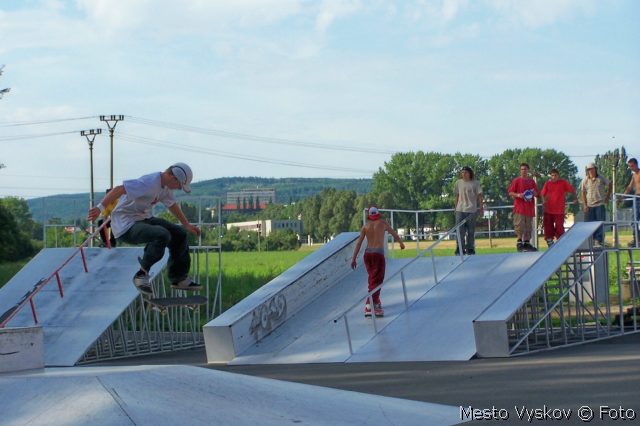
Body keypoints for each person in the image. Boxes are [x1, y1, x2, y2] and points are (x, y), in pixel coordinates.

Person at [87, 163, 201, 295]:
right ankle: (141, 275)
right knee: (162, 234)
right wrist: (100, 208)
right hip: (126, 225)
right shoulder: (149, 183)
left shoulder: (166, 188)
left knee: (179, 234)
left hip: (143, 219)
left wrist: (186, 224)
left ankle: (179, 278)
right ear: (172, 176)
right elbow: (119, 189)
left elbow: (172, 205)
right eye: (179, 185)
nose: (178, 188)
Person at [351, 206, 405, 317]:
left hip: (367, 255)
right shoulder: (383, 223)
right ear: (378, 214)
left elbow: (359, 243)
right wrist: (400, 243)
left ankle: (375, 301)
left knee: (372, 278)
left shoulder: (365, 226)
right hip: (378, 254)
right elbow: (393, 233)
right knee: (378, 279)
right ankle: (369, 305)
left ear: (369, 216)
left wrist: (353, 259)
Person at [508, 163, 539, 252]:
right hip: (519, 208)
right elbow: (510, 192)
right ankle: (519, 242)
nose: (523, 171)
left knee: (528, 226)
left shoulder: (531, 181)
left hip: (529, 208)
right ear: (520, 170)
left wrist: (533, 193)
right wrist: (518, 195)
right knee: (519, 225)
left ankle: (527, 243)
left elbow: (537, 194)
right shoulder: (516, 180)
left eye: (525, 169)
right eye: (522, 169)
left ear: (528, 170)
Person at [541, 169, 577, 246]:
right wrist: (544, 201)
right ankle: (549, 241)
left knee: (559, 227)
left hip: (559, 210)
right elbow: (542, 194)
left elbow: (572, 190)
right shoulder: (547, 183)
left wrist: (575, 198)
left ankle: (561, 242)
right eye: (552, 175)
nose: (553, 177)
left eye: (555, 175)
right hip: (548, 209)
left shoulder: (563, 182)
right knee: (548, 226)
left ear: (558, 176)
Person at [580, 162, 612, 248]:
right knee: (589, 224)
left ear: (595, 169)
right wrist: (585, 205)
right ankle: (592, 241)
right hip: (589, 205)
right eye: (589, 169)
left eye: (592, 169)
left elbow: (610, 183)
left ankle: (598, 241)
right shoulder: (585, 180)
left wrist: (608, 197)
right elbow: (582, 192)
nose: (590, 171)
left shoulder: (601, 178)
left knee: (600, 223)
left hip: (600, 204)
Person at [454, 166, 484, 255]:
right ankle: (460, 247)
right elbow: (456, 196)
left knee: (471, 231)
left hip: (472, 210)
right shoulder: (458, 183)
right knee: (460, 230)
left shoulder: (475, 183)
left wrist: (481, 208)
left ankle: (470, 248)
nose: (464, 174)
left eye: (466, 172)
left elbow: (480, 197)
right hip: (460, 209)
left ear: (469, 173)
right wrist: (455, 208)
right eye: (462, 172)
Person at [622, 158, 640, 247]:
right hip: (636, 198)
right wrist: (623, 196)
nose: (631, 168)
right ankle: (636, 239)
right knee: (634, 219)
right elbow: (629, 186)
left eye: (632, 166)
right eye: (630, 166)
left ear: (636, 164)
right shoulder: (634, 175)